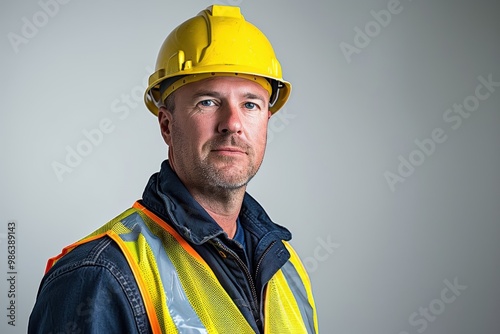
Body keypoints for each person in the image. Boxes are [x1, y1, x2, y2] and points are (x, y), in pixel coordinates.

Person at [29, 4, 318, 333]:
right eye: (207, 101)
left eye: (250, 103)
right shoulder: (101, 274)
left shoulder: (287, 268)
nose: (232, 124)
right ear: (167, 125)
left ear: (267, 119)